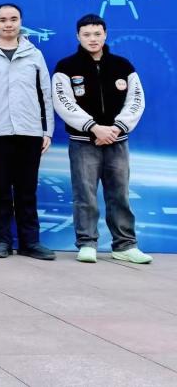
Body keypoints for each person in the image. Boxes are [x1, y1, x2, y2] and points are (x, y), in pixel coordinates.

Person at [52, 14, 151, 264]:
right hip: (83, 142)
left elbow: (136, 100)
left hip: (117, 141)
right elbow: (63, 102)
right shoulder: (66, 67)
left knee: (120, 195)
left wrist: (116, 128)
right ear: (78, 36)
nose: (92, 39)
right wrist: (94, 128)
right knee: (84, 195)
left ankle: (125, 245)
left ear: (105, 34)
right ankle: (87, 243)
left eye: (97, 34)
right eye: (86, 34)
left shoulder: (123, 65)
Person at [0, 3, 55, 260]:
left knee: (27, 190)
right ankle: (2, 241)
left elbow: (46, 94)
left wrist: (47, 130)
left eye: (13, 19)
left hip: (30, 131)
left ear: (21, 22)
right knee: (0, 189)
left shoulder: (34, 54)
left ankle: (30, 242)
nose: (8, 24)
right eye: (3, 19)